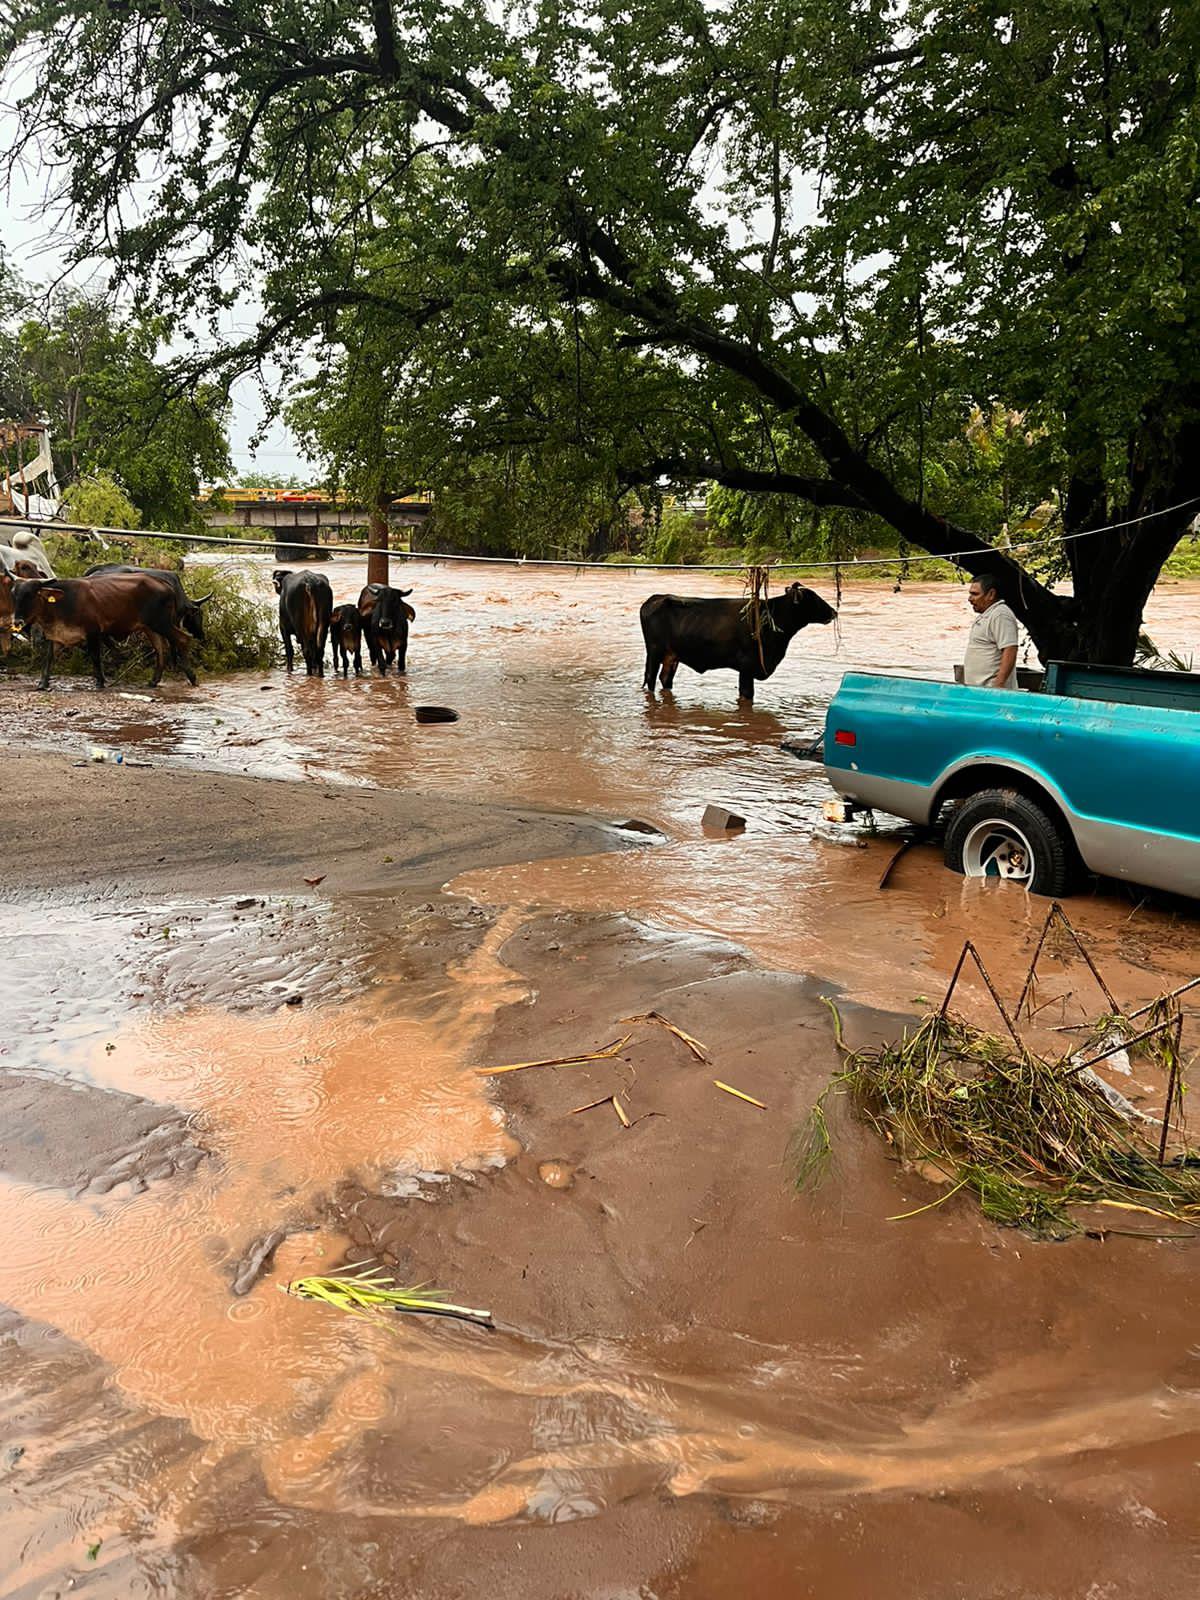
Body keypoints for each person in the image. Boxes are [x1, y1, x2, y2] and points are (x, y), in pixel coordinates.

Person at [962, 571, 1020, 688]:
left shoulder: (1000, 615)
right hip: (979, 690)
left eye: (975, 594)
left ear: (991, 594)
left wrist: (998, 685)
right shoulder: (988, 614)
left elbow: (1010, 649)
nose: (970, 599)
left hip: (991, 691)